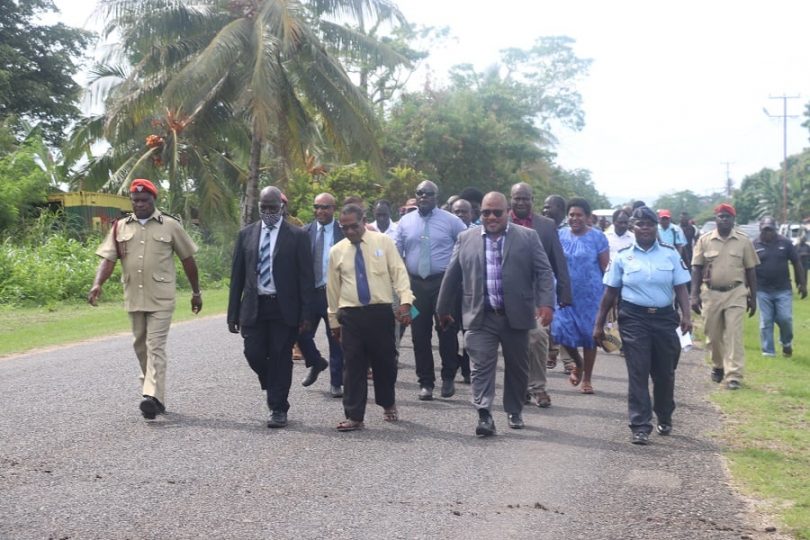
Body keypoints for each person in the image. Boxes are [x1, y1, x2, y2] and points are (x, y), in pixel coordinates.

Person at [437, 192, 554, 436]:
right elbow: (452, 275)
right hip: (480, 315)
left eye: (497, 212)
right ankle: (484, 414)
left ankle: (514, 410)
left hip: (517, 315)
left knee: (517, 367)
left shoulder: (527, 237)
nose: (491, 217)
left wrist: (546, 303)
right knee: (480, 365)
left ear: (507, 212)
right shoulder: (465, 238)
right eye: (485, 212)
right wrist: (443, 309)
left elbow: (544, 271)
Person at [88, 178, 202, 420]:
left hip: (161, 298)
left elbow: (188, 260)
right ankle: (157, 398)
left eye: (144, 200)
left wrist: (196, 292)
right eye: (135, 200)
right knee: (140, 346)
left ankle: (150, 395)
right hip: (134, 297)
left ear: (154, 200)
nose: (139, 204)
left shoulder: (170, 225)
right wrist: (98, 283)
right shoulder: (120, 226)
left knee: (155, 346)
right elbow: (108, 259)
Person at [594, 206, 692, 445]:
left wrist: (687, 316)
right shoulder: (623, 256)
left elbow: (680, 288)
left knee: (664, 373)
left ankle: (665, 413)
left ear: (656, 226)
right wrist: (599, 324)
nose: (645, 228)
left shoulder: (669, 254)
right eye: (640, 224)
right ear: (632, 227)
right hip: (634, 319)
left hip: (665, 318)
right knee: (638, 371)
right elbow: (610, 293)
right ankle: (640, 424)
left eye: (649, 224)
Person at [227, 186, 314, 427]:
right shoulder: (246, 235)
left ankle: (278, 408)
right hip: (254, 307)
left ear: (282, 208)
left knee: (280, 356)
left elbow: (306, 279)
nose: (268, 212)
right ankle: (270, 381)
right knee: (252, 353)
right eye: (264, 208)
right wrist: (232, 313)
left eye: (273, 208)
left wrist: (306, 313)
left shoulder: (297, 236)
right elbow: (237, 277)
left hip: (283, 309)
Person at [327, 204, 414, 431]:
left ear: (364, 220)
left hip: (380, 312)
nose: (350, 232)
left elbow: (398, 272)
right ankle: (355, 416)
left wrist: (405, 301)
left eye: (354, 226)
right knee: (353, 366)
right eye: (344, 228)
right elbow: (333, 290)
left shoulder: (383, 242)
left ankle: (387, 402)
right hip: (351, 315)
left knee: (385, 363)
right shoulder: (336, 251)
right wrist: (334, 322)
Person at [395, 180, 467, 401]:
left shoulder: (451, 221)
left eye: (428, 194)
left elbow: (466, 243)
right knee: (419, 334)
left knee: (446, 331)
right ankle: (425, 382)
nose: (423, 197)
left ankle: (448, 377)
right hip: (415, 286)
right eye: (419, 193)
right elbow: (396, 253)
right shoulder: (405, 222)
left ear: (436, 197)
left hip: (443, 284)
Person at [509, 182, 573, 408]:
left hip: (537, 295)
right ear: (511, 199)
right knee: (515, 343)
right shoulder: (500, 222)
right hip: (506, 295)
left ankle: (538, 387)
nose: (521, 202)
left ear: (532, 200)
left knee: (537, 337)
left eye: (525, 198)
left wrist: (564, 291)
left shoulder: (546, 226)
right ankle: (520, 387)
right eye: (517, 198)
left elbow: (558, 262)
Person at [690, 203, 759, 390]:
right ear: (716, 219)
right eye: (721, 216)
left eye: (727, 217)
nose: (724, 219)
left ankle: (734, 375)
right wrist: (694, 295)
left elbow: (751, 270)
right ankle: (718, 365)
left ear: (733, 220)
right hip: (711, 294)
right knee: (712, 335)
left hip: (736, 292)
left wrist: (753, 296)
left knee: (734, 334)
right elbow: (696, 267)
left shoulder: (744, 241)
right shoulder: (705, 240)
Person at [551, 197, 610, 395]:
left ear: (587, 217)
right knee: (560, 332)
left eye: (579, 215)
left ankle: (587, 378)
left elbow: (605, 268)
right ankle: (578, 363)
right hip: (564, 293)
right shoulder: (559, 235)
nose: (575, 218)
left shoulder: (598, 237)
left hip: (590, 295)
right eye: (571, 215)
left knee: (589, 337)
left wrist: (611, 297)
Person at [298, 193, 344, 396]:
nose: (320, 211)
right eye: (317, 206)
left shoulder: (343, 232)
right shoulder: (303, 233)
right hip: (309, 295)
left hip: (335, 294)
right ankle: (316, 362)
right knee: (299, 333)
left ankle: (336, 382)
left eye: (325, 207)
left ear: (334, 209)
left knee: (336, 338)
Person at [752, 216, 807, 358]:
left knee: (785, 318)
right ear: (760, 229)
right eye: (765, 230)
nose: (768, 232)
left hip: (783, 289)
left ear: (775, 229)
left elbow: (796, 263)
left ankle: (786, 342)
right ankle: (768, 352)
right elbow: (748, 268)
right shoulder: (754, 244)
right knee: (766, 321)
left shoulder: (786, 243)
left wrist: (802, 284)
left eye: (770, 229)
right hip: (762, 289)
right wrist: (748, 289)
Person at [450, 197, 474, 383]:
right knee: (447, 332)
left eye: (463, 211)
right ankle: (453, 364)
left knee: (469, 332)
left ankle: (467, 369)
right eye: (456, 211)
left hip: (471, 291)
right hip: (450, 291)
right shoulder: (444, 231)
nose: (459, 215)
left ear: (471, 214)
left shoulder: (478, 233)